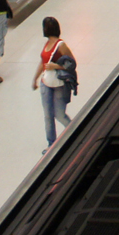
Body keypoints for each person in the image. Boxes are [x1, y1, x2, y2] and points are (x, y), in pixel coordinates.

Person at [34, 18, 77, 147]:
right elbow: (43, 63)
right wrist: (35, 78)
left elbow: (72, 63)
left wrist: (56, 66)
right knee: (48, 115)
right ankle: (51, 143)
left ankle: (75, 132)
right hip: (46, 82)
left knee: (59, 115)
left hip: (59, 84)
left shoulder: (61, 45)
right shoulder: (47, 44)